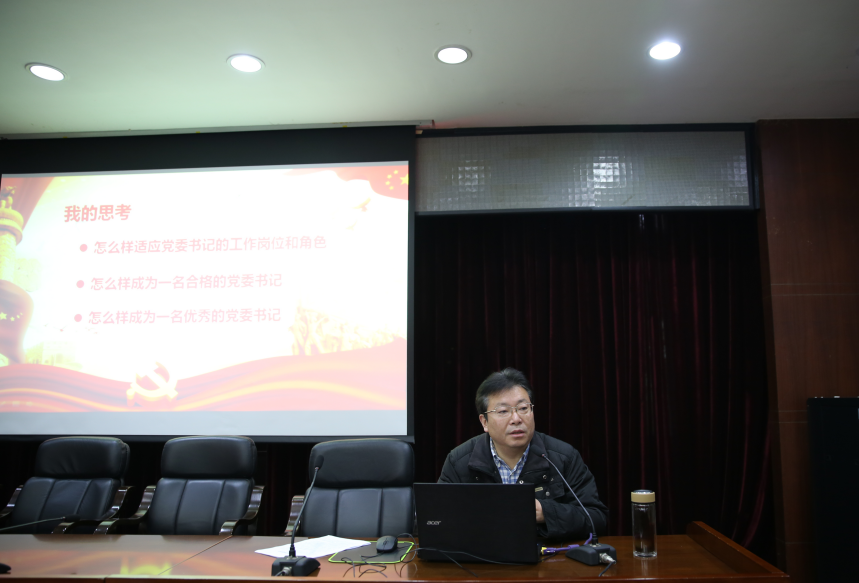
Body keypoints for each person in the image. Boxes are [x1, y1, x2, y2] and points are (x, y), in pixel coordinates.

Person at [438, 367, 608, 540]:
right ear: (484, 422)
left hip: (546, 554)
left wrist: (546, 513)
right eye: (503, 411)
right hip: (482, 555)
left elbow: (597, 518)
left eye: (523, 408)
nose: (516, 419)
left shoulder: (563, 457)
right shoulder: (459, 461)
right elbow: (436, 520)